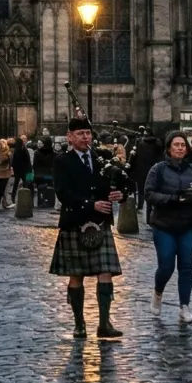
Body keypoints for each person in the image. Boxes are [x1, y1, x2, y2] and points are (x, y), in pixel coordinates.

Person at [51, 117, 124, 339]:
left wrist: (119, 194)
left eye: (88, 133)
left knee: (105, 272)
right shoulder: (63, 161)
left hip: (100, 222)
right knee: (76, 275)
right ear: (70, 137)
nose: (86, 137)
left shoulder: (102, 158)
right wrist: (90, 204)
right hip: (76, 222)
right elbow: (63, 193)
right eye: (80, 133)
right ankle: (79, 324)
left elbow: (118, 184)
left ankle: (104, 324)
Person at [143, 129, 192, 324]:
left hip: (188, 224)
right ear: (169, 148)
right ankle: (158, 292)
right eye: (176, 145)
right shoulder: (158, 169)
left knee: (186, 267)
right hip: (164, 224)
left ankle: (184, 306)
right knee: (166, 266)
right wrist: (171, 199)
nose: (180, 148)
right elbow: (149, 193)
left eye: (182, 145)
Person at [32, 132, 57, 209]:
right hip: (50, 174)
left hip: (40, 174)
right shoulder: (54, 153)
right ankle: (49, 202)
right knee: (49, 188)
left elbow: (35, 165)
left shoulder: (37, 153)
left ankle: (41, 202)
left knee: (40, 189)